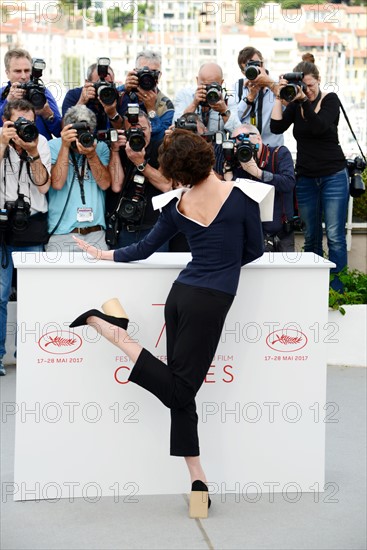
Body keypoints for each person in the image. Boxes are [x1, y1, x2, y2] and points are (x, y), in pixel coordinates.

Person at [69, 129, 272, 517]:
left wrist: (101, 253)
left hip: (180, 298)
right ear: (206, 155)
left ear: (177, 168)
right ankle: (107, 326)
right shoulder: (243, 197)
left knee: (182, 393)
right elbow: (255, 249)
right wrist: (225, 269)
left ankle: (198, 482)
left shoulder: (178, 205)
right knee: (181, 391)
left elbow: (142, 249)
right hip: (209, 303)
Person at [270, 58, 349, 291]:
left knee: (334, 235)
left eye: (311, 85)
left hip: (333, 175)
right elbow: (276, 128)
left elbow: (320, 127)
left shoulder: (330, 100)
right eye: (304, 87)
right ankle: (312, 289)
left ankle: (337, 291)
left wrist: (304, 100)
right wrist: (278, 96)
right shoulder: (296, 104)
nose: (308, 90)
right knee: (311, 235)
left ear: (319, 81)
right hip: (305, 178)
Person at [0, 99, 51, 376]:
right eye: (17, 122)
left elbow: (43, 186)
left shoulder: (39, 141)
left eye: (28, 123)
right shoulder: (0, 139)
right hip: (2, 226)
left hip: (32, 223)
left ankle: (28, 353)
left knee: (33, 294)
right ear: (6, 122)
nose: (23, 128)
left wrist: (32, 152)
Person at [45, 105, 111, 252]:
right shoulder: (53, 146)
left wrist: (92, 155)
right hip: (62, 233)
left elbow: (105, 184)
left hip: (96, 233)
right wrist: (65, 146)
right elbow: (57, 183)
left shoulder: (100, 148)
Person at [222, 123, 296, 252]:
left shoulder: (279, 154)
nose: (239, 143)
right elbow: (233, 201)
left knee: (284, 272)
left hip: (281, 234)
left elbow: (289, 183)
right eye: (234, 140)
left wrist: (258, 173)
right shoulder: (237, 160)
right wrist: (229, 176)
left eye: (242, 137)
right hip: (253, 233)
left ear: (258, 138)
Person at [105, 110, 172, 249]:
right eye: (134, 130)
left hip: (155, 229)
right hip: (124, 229)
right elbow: (116, 186)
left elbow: (166, 185)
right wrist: (115, 151)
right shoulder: (120, 150)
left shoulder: (161, 148)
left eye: (143, 129)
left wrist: (140, 163)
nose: (139, 134)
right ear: (125, 131)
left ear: (151, 128)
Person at [0, 49, 62, 140]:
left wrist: (48, 115)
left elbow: (60, 132)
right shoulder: (2, 94)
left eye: (27, 70)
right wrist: (8, 102)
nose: (23, 76)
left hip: (40, 149)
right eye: (17, 71)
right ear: (7, 73)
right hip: (9, 151)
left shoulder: (41, 92)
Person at [234, 47, 284, 148]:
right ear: (243, 72)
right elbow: (233, 119)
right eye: (249, 68)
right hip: (247, 149)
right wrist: (250, 97)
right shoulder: (237, 88)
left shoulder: (278, 84)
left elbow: (289, 105)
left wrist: (269, 84)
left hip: (272, 149)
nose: (254, 70)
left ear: (262, 64)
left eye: (256, 65)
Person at [121, 50, 174, 142]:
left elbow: (159, 138)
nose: (147, 77)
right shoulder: (123, 92)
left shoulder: (165, 105)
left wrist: (151, 109)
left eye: (153, 72)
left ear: (159, 75)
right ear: (134, 72)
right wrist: (124, 89)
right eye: (143, 71)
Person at [173, 62, 241, 134]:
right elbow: (176, 129)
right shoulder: (185, 95)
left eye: (213, 86)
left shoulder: (228, 99)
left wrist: (224, 111)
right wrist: (194, 104)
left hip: (217, 144)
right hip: (191, 144)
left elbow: (238, 133)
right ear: (197, 80)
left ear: (221, 83)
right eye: (205, 86)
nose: (209, 91)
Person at [62, 61, 128, 131]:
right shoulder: (74, 95)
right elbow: (65, 128)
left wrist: (112, 113)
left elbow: (125, 130)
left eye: (108, 84)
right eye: (99, 84)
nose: (104, 88)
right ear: (87, 82)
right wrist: (81, 103)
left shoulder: (119, 97)